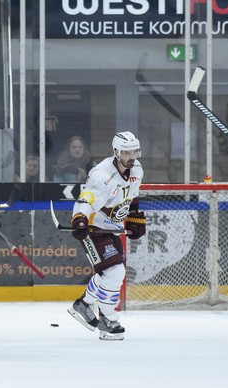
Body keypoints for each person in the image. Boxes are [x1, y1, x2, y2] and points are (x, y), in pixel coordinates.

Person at [68, 131, 146, 340]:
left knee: (108, 273)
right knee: (115, 272)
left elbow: (133, 196)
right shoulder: (102, 176)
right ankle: (107, 320)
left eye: (134, 151)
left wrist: (136, 218)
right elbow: (85, 200)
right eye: (127, 152)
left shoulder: (136, 168)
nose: (132, 156)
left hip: (113, 228)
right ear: (116, 152)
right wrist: (80, 220)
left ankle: (83, 305)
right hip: (93, 230)